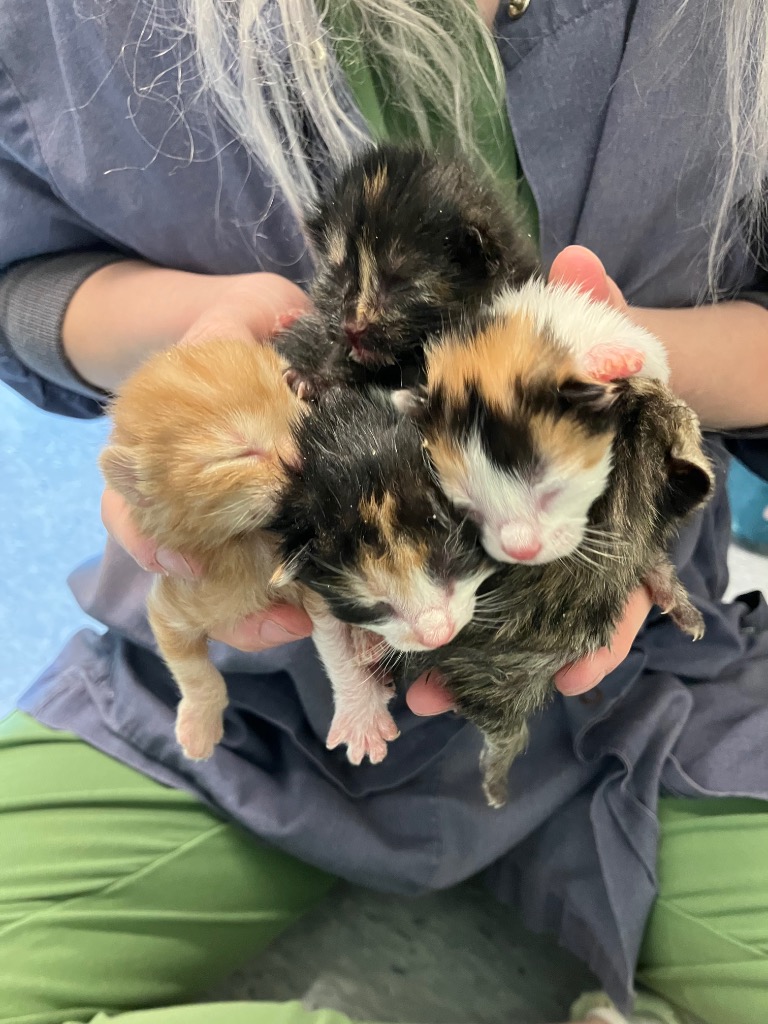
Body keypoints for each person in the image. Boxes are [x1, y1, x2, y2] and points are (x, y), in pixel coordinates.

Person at [1, 2, 767, 1023]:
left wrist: (627, 370)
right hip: (255, 716)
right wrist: (195, 368)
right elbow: (22, 275)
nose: (359, 319)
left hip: (637, 697)